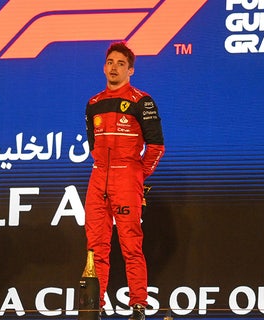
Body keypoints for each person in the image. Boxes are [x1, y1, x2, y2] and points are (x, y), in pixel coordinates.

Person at [84, 42, 165, 320]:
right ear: (104, 67)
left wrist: (137, 175)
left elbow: (156, 147)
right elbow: (93, 145)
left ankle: (138, 305)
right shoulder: (93, 103)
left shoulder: (142, 101)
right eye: (110, 62)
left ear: (130, 69)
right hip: (98, 177)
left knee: (131, 244)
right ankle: (95, 305)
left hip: (127, 176)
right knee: (95, 247)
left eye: (120, 63)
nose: (114, 67)